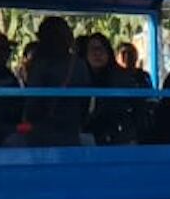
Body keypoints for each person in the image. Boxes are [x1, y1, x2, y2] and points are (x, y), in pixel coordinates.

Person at [17, 15, 91, 147]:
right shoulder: (79, 64)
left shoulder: (40, 65)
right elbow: (86, 102)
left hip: (41, 135)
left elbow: (32, 103)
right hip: (71, 132)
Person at [83, 33, 141, 145]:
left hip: (119, 138)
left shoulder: (121, 78)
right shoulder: (81, 78)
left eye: (101, 48)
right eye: (92, 49)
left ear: (108, 52)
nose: (97, 53)